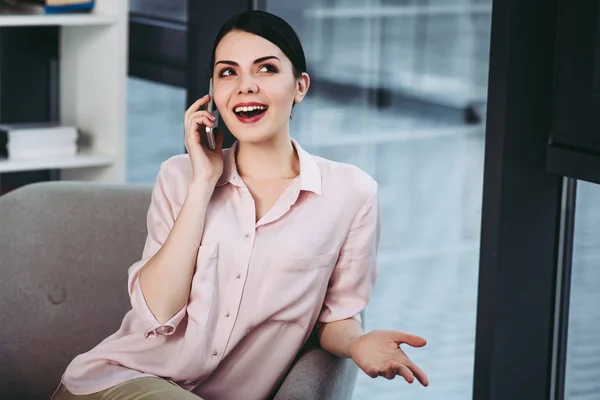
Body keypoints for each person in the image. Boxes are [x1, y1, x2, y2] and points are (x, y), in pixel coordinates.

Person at [53, 10, 428, 400]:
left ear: (299, 86)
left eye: (265, 69)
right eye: (228, 72)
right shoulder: (180, 176)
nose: (245, 86)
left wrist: (357, 344)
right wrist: (202, 183)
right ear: (212, 92)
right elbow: (157, 312)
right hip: (119, 382)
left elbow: (336, 317)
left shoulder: (351, 194)